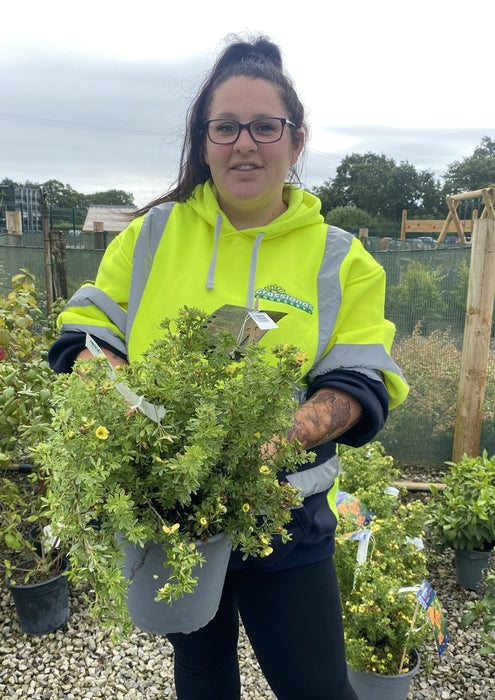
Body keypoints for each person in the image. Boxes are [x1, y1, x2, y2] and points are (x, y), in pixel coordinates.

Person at [48, 35, 408, 700]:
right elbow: (87, 333)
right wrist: (126, 407)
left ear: (295, 141)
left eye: (265, 126)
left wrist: (269, 447)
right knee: (203, 672)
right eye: (225, 127)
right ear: (203, 139)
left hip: (284, 513)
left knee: (315, 685)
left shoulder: (339, 258)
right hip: (168, 507)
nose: (245, 143)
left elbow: (359, 380)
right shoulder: (151, 236)